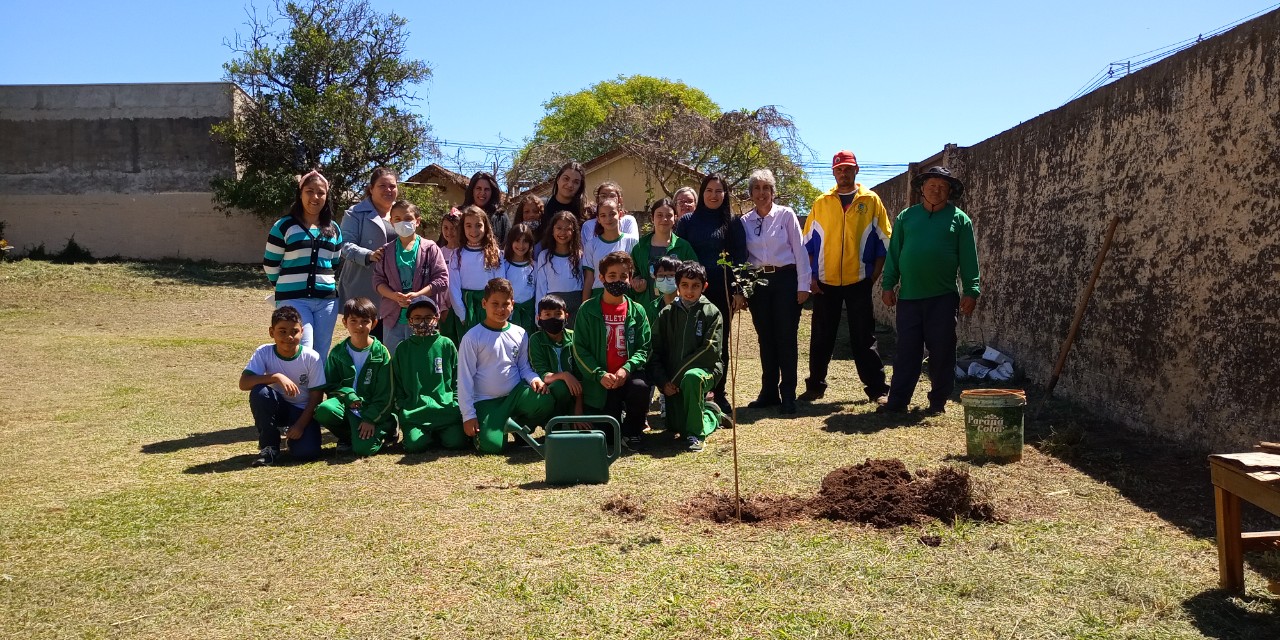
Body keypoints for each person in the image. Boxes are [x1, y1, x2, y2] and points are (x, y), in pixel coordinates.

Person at [881, 167, 981, 414]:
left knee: (942, 352)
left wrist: (972, 290)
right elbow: (894, 255)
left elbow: (969, 259)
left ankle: (938, 402)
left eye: (942, 187)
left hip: (943, 299)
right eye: (932, 185)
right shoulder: (906, 217)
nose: (937, 190)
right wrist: (887, 284)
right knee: (907, 352)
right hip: (909, 298)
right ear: (922, 188)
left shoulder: (960, 219)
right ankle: (897, 402)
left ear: (949, 191)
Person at [799, 150, 892, 406]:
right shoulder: (821, 202)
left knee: (864, 337)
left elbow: (886, 241)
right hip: (825, 283)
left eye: (848, 168)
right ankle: (815, 386)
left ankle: (877, 389)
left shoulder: (871, 201)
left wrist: (873, 275)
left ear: (856, 170)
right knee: (821, 337)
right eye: (839, 169)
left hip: (858, 281)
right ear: (833, 172)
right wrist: (812, 278)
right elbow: (807, 244)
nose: (843, 173)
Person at [736, 169, 811, 414]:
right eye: (756, 189)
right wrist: (743, 289)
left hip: (785, 281)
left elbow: (799, 251)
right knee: (765, 339)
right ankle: (768, 392)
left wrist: (803, 285)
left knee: (786, 338)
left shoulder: (786, 215)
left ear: (772, 192)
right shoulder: (744, 222)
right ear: (750, 194)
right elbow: (743, 258)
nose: (761, 193)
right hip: (760, 284)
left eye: (765, 188)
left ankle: (788, 393)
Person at [457, 278, 556, 454]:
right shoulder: (472, 337)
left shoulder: (520, 333)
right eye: (495, 304)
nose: (501, 309)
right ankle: (492, 427)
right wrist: (469, 416)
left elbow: (523, 366)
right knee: (493, 447)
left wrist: (534, 379)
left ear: (513, 304)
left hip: (515, 395)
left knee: (545, 400)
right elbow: (464, 379)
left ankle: (519, 427)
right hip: (486, 401)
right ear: (484, 303)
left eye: (506, 304)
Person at [674, 173, 746, 414]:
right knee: (690, 341)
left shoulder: (732, 222)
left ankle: (720, 393)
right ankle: (691, 391)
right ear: (702, 192)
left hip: (722, 291)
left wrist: (738, 290)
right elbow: (678, 255)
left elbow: (740, 257)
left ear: (725, 195)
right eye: (709, 190)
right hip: (691, 292)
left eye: (718, 191)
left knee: (718, 343)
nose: (713, 195)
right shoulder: (687, 221)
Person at [571, 251, 652, 450]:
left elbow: (644, 347)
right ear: (602, 278)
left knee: (641, 387)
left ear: (630, 278)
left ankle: (633, 431)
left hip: (626, 376)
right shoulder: (587, 309)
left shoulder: (637, 311)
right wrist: (598, 374)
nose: (618, 280)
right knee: (606, 438)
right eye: (612, 276)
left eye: (623, 276)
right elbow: (579, 348)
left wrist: (627, 369)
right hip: (601, 381)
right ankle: (616, 427)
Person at [263, 170, 343, 361]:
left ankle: (315, 391)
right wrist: (284, 285)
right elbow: (270, 263)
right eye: (309, 191)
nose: (315, 197)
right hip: (294, 299)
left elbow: (334, 263)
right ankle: (297, 391)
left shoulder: (333, 228)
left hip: (327, 301)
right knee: (302, 349)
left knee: (321, 352)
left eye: (321, 192)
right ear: (300, 194)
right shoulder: (284, 226)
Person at [649, 261, 724, 452]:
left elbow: (710, 351)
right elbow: (654, 351)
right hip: (672, 378)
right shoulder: (666, 313)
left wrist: (676, 377)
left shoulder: (712, 313)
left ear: (704, 287)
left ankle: (697, 436)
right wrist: (663, 382)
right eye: (685, 285)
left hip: (704, 371)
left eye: (695, 286)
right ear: (677, 285)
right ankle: (711, 415)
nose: (690, 291)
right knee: (677, 428)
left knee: (691, 379)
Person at [240, 305, 326, 466]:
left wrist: (300, 426)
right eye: (282, 331)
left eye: (294, 331)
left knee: (307, 453)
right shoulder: (264, 352)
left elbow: (316, 397)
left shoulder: (311, 357)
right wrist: (276, 377)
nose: (289, 337)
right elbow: (244, 383)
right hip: (278, 407)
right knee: (260, 393)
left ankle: (294, 438)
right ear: (271, 332)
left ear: (302, 332)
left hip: (303, 411)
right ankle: (270, 447)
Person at [314, 297, 395, 456]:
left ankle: (387, 427)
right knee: (324, 410)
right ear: (344, 322)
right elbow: (331, 386)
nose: (359, 326)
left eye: (365, 321)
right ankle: (347, 436)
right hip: (348, 407)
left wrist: (371, 418)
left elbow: (386, 393)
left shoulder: (381, 353)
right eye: (353, 320)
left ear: (374, 323)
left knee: (363, 450)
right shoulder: (338, 352)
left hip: (372, 409)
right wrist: (347, 395)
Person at [372, 200, 448, 355]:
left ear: (417, 221)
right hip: (393, 320)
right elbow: (378, 281)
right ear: (391, 222)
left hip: (424, 318)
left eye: (408, 219)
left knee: (422, 360)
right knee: (395, 363)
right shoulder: (386, 251)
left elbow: (442, 279)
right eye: (397, 219)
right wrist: (393, 296)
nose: (402, 223)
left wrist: (418, 295)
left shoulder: (430, 248)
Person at [392, 298, 467, 452]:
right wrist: (402, 405)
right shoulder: (403, 349)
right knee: (415, 445)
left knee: (456, 442)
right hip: (415, 413)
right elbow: (397, 382)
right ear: (409, 321)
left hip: (445, 411)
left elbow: (458, 379)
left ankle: (440, 433)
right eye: (417, 318)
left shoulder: (446, 344)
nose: (423, 322)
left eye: (428, 318)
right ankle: (424, 435)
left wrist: (454, 402)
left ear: (436, 318)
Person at [338, 167, 398, 340]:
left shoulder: (402, 212)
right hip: (365, 285)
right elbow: (345, 244)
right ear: (371, 189)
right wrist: (368, 255)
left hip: (395, 288)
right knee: (366, 339)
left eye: (392, 186)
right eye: (382, 186)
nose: (388, 190)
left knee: (391, 341)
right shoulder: (355, 213)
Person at [630, 198, 696, 316]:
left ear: (675, 218)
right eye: (659, 215)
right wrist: (637, 282)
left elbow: (695, 276)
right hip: (646, 309)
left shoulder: (683, 247)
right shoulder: (640, 247)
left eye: (669, 215)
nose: (664, 219)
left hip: (677, 309)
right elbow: (632, 274)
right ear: (652, 218)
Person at [448, 205, 505, 336]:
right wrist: (462, 314)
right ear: (463, 228)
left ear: (486, 227)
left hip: (490, 305)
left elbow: (500, 284)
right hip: (467, 307)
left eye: (478, 225)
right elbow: (454, 287)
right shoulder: (457, 254)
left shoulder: (495, 253)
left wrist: (496, 309)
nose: (474, 230)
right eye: (468, 225)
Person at [529, 294, 585, 417]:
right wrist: (565, 375)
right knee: (560, 387)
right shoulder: (536, 340)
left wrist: (579, 408)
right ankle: (554, 423)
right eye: (547, 314)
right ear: (539, 318)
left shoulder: (574, 337)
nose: (553, 318)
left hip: (575, 392)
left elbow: (581, 375)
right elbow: (542, 374)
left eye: (558, 314)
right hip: (548, 391)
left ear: (566, 316)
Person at [534, 211, 585, 328]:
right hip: (552, 306)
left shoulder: (580, 256)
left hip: (575, 306)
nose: (563, 232)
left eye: (568, 229)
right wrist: (539, 316)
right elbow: (541, 288)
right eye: (559, 228)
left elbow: (584, 283)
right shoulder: (544, 256)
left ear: (574, 232)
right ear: (552, 230)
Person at [581, 197, 639, 300]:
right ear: (598, 219)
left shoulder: (632, 242)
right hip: (598, 296)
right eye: (603, 215)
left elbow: (637, 272)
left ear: (620, 214)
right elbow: (589, 279)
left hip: (625, 294)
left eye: (612, 214)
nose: (608, 219)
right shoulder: (591, 245)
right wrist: (584, 305)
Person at [454, 171, 509, 244]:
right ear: (472, 190)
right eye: (478, 188)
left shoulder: (500, 217)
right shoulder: (458, 214)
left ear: (492, 192)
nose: (482, 193)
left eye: (487, 189)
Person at [503, 224, 538, 333]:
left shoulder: (535, 266)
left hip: (529, 314)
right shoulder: (503, 265)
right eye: (517, 240)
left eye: (525, 241)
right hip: (510, 315)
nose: (521, 245)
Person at [436, 210, 465, 345]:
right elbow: (436, 280)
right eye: (446, 228)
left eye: (454, 228)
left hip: (463, 303)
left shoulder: (465, 252)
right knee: (448, 342)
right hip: (446, 307)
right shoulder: (438, 252)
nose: (449, 232)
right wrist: (442, 307)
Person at [538, 161, 587, 236]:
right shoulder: (541, 206)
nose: (570, 185)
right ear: (558, 179)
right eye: (566, 179)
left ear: (580, 186)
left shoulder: (585, 212)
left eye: (576, 182)